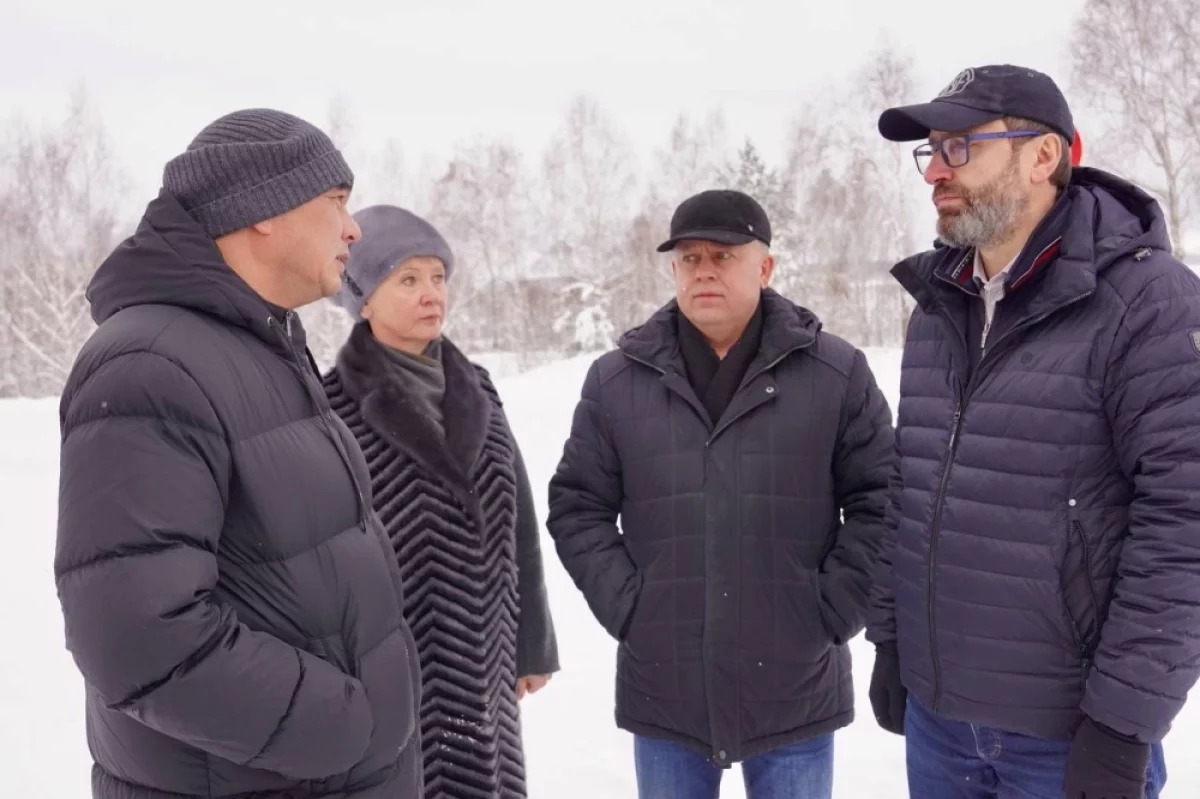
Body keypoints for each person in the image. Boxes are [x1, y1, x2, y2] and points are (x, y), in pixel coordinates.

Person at [54, 110, 422, 798]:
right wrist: (337, 727)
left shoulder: (260, 346)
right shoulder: (150, 363)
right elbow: (136, 633)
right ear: (263, 211)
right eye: (336, 201)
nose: (354, 228)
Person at [866, 64, 1200, 799]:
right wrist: (892, 635)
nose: (937, 172)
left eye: (961, 147)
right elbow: (911, 483)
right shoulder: (937, 306)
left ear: (1043, 156)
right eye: (932, 151)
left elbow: (1184, 523)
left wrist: (1124, 722)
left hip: (1067, 735)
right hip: (938, 723)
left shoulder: (1147, 302)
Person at [546, 189, 895, 798]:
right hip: (667, 684)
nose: (703, 270)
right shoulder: (617, 381)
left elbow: (883, 500)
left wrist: (831, 611)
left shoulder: (836, 373)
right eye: (689, 257)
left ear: (765, 267)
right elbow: (578, 506)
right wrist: (631, 608)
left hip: (794, 684)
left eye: (723, 255)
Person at [322, 204, 560, 799]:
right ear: (364, 299)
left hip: (487, 649)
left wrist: (531, 643)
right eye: (408, 279)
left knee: (487, 778)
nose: (431, 294)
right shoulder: (331, 407)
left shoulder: (479, 388)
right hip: (393, 663)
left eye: (438, 277)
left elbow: (518, 521)